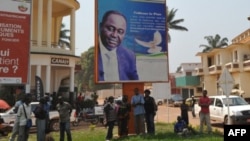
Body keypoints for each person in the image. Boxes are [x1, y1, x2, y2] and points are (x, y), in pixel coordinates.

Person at [98, 10, 139, 81]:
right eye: (110, 29)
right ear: (101, 26)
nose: (114, 35)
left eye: (120, 32)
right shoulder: (93, 51)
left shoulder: (129, 56)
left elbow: (134, 82)